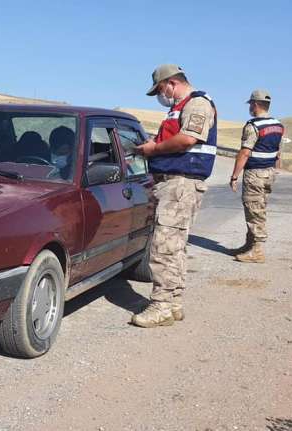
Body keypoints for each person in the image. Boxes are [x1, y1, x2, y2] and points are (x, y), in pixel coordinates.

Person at [131, 64, 217, 328]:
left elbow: (187, 139)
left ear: (171, 83)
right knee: (175, 247)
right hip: (173, 184)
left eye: (160, 89)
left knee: (164, 247)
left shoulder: (197, 103)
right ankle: (174, 302)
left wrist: (153, 149)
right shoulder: (179, 107)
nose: (161, 95)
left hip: (181, 184)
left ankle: (162, 306)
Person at [228, 90, 284, 263]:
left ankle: (257, 250)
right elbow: (278, 152)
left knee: (254, 210)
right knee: (259, 207)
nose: (250, 108)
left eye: (251, 104)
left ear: (255, 104)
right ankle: (249, 245)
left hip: (255, 174)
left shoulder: (253, 126)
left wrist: (234, 176)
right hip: (269, 173)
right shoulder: (278, 125)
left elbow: (245, 153)